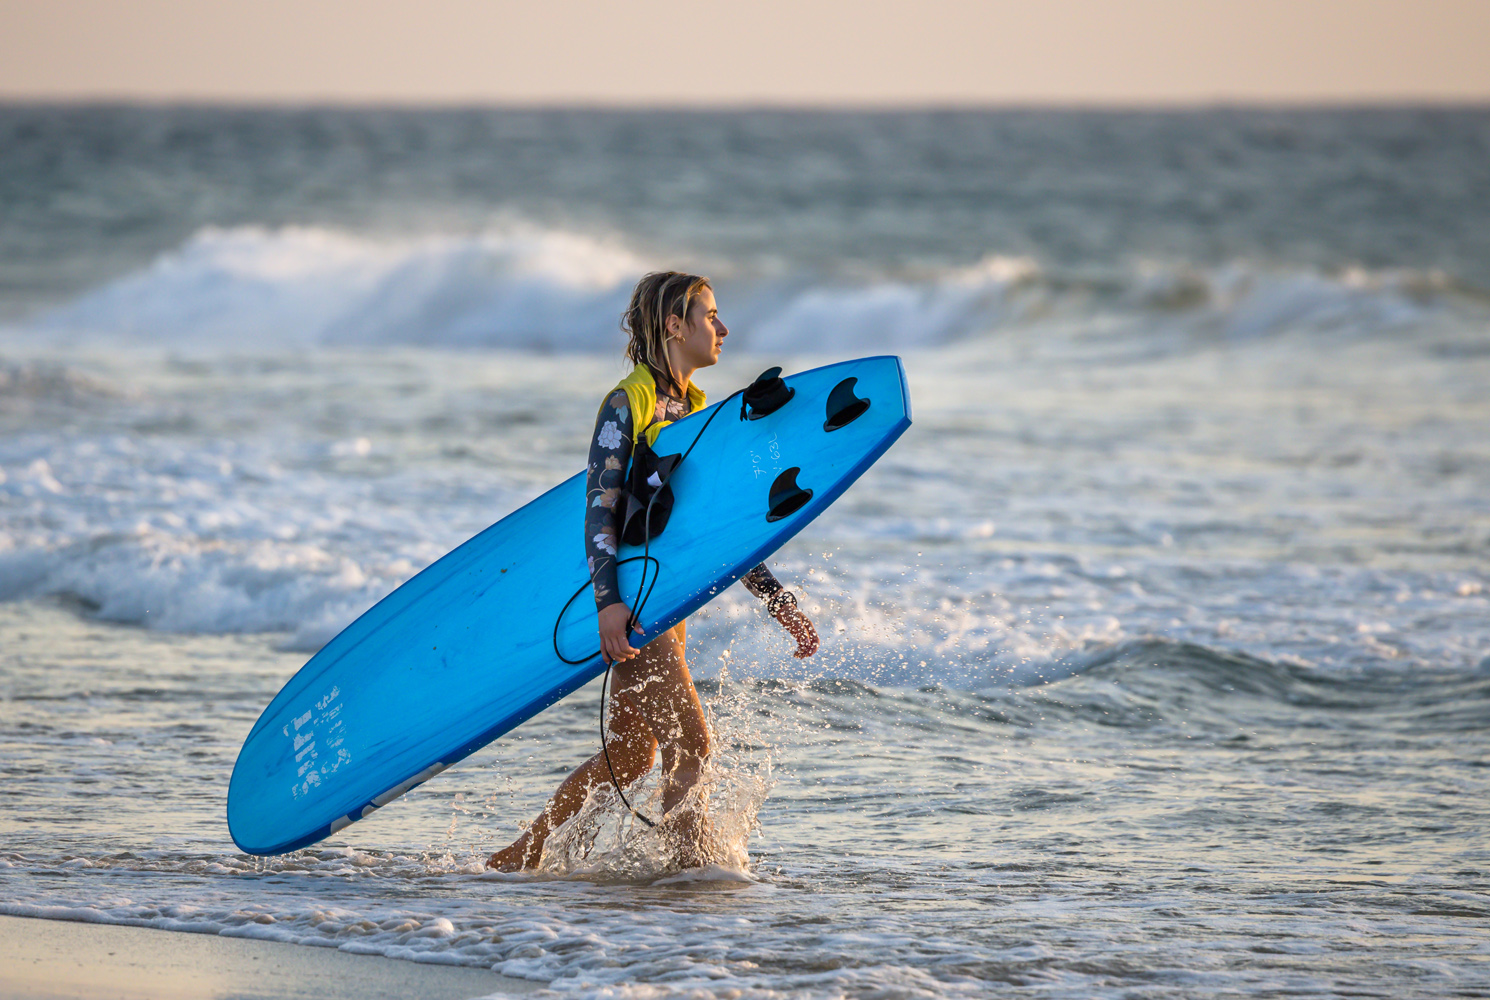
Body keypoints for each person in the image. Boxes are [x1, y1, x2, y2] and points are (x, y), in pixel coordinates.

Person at [487, 271, 819, 872]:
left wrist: (775, 599)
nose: (722, 328)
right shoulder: (627, 402)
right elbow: (600, 507)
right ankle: (686, 871)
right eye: (710, 315)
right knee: (693, 745)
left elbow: (719, 526)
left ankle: (520, 858)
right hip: (635, 606)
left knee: (634, 753)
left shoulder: (696, 410)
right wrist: (607, 602)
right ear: (675, 326)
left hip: (666, 602)